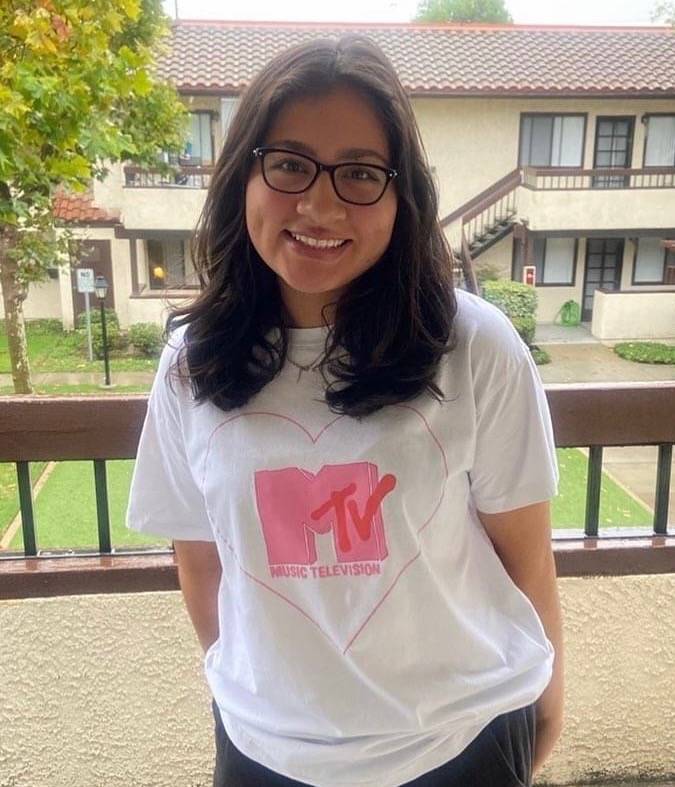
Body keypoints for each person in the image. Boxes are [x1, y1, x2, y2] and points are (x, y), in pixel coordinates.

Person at [126, 34, 564, 787]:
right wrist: (264, 698)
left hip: (460, 742)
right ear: (244, 177)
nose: (320, 203)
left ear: (401, 198)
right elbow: (199, 559)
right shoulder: (189, 368)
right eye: (290, 163)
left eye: (360, 173)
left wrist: (546, 701)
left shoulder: (471, 346)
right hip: (267, 754)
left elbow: (524, 554)